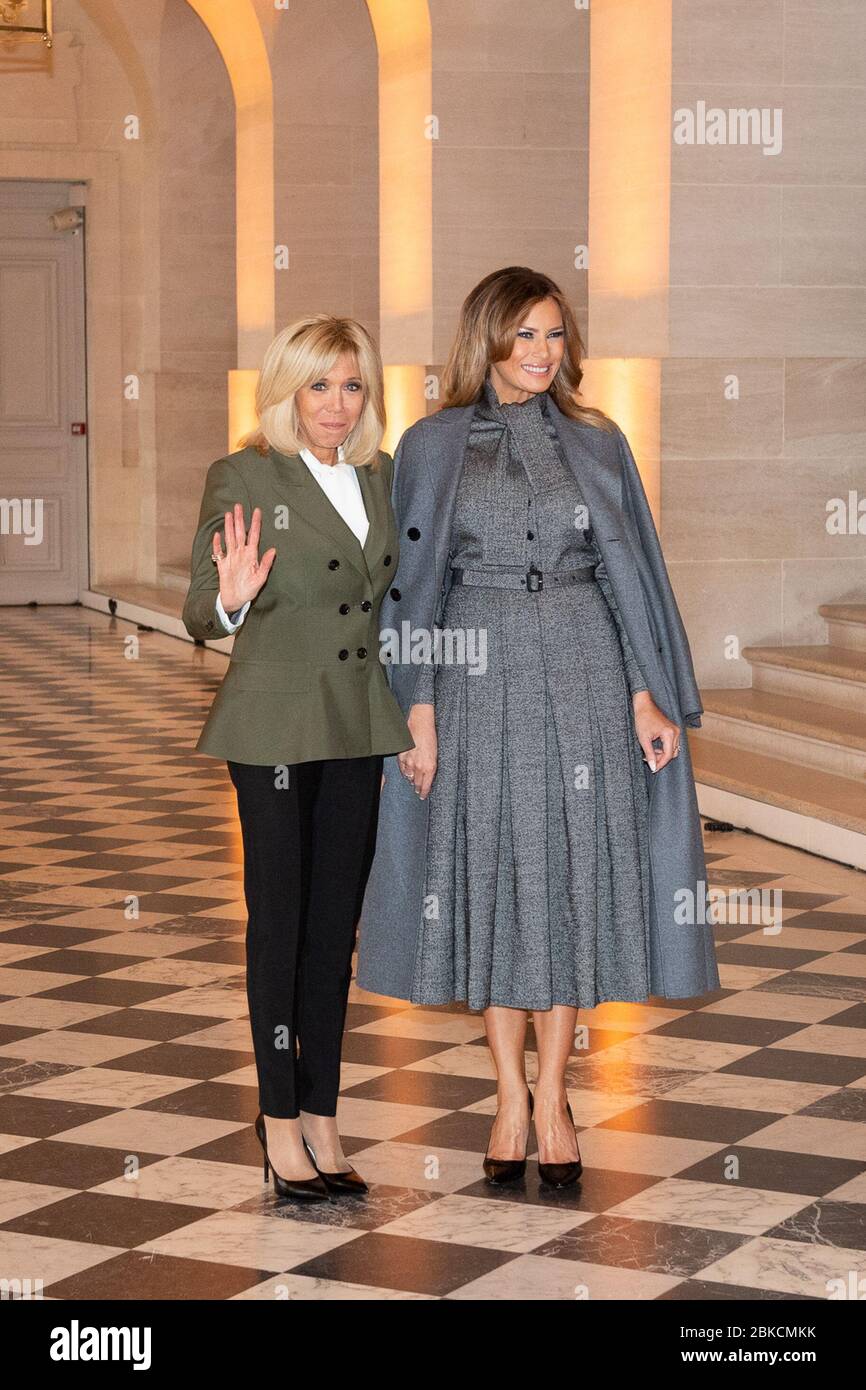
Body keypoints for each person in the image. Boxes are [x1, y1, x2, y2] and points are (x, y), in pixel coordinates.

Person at [357, 267, 720, 1188]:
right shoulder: (432, 446)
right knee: (491, 879)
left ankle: (554, 1097)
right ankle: (508, 1097)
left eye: (554, 335)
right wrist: (419, 707)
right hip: (476, 681)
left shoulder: (598, 443)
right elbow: (416, 584)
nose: (540, 353)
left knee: (565, 882)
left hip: (587, 671)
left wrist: (647, 692)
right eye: (523, 335)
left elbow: (627, 574)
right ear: (485, 338)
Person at [182, 315, 413, 1201]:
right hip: (274, 727)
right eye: (318, 385)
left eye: (352, 385)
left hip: (356, 725)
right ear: (286, 393)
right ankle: (278, 1120)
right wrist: (232, 601)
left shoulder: (381, 476)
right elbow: (203, 609)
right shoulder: (244, 474)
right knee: (279, 923)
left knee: (333, 931)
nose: (337, 404)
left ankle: (324, 1112)